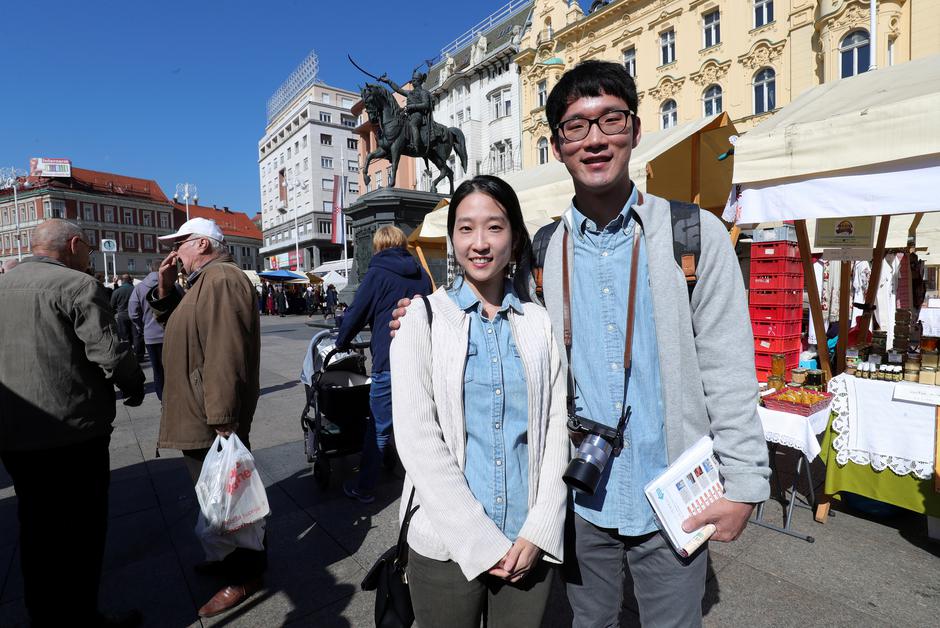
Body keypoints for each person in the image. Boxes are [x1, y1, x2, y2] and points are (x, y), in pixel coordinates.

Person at [393, 61, 770, 627]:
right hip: (580, 502)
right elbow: (495, 309)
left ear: (636, 131)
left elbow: (729, 369)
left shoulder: (694, 236)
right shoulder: (543, 253)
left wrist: (744, 484)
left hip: (671, 498)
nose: (595, 139)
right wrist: (424, 316)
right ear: (557, 145)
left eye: (610, 120)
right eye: (576, 127)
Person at [390, 176, 569, 627]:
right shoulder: (422, 319)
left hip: (527, 539)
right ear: (452, 239)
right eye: (466, 228)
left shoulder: (539, 324)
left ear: (514, 238)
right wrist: (479, 540)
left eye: (494, 227)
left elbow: (554, 434)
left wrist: (541, 528)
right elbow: (418, 442)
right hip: (446, 542)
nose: (480, 243)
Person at [0, 219, 145, 627]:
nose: (91, 257)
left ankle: (42, 615)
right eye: (90, 249)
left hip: (14, 434)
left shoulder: (3, 284)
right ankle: (82, 617)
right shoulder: (77, 286)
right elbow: (110, 354)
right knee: (80, 533)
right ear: (75, 245)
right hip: (71, 433)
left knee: (35, 529)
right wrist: (133, 384)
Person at [146, 217, 264, 618]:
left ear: (203, 245)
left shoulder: (222, 280)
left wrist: (223, 416)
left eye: (180, 244)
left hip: (211, 415)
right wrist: (165, 290)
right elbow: (180, 325)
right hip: (203, 409)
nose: (174, 252)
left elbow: (225, 352)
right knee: (212, 496)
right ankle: (225, 561)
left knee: (227, 503)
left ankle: (243, 576)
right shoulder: (203, 283)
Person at [335, 225, 432, 503]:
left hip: (388, 360)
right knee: (418, 422)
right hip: (420, 358)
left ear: (377, 246)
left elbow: (356, 313)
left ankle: (364, 487)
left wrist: (342, 341)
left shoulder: (377, 273)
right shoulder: (421, 273)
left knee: (378, 424)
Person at [129, 262, 166, 400]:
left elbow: (133, 313)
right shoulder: (174, 286)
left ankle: (162, 398)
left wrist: (142, 327)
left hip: (151, 336)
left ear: (150, 270)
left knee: (157, 370)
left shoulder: (139, 288)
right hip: (173, 335)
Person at [379, 67, 434, 156]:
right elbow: (398, 89)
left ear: (419, 81)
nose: (412, 82)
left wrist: (413, 106)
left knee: (413, 124)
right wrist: (388, 81)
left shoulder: (423, 93)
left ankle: (415, 146)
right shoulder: (410, 93)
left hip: (418, 115)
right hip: (408, 115)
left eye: (414, 80)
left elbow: (426, 105)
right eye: (412, 80)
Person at [110, 273, 134, 349]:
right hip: (134, 314)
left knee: (124, 336)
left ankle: (128, 352)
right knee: (136, 335)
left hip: (122, 315)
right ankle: (139, 355)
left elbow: (112, 305)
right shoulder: (135, 289)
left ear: (122, 281)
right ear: (130, 280)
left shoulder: (117, 291)